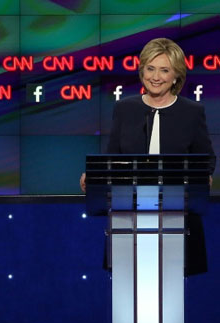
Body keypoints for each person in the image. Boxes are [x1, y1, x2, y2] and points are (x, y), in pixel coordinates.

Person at [81, 38, 215, 275]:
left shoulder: (192, 112)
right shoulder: (125, 108)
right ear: (141, 70)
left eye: (164, 70)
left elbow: (207, 159)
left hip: (177, 218)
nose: (156, 76)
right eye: (150, 68)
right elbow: (112, 158)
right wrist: (94, 177)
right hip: (129, 217)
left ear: (176, 76)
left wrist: (203, 175)